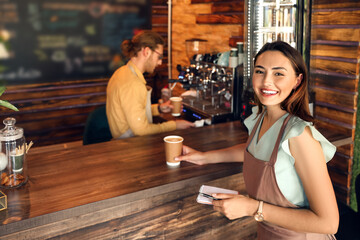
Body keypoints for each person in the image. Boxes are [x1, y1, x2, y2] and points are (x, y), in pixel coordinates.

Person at [175, 41, 339, 239]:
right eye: (260, 71)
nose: (266, 81)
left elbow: (329, 223)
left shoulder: (300, 136)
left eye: (278, 73)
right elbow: (256, 150)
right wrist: (204, 157)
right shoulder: (262, 117)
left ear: (297, 80)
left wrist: (252, 207)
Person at [106, 30, 194, 139]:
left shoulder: (121, 72)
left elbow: (132, 111)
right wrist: (175, 125)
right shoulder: (133, 84)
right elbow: (141, 131)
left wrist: (159, 109)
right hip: (129, 147)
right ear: (146, 52)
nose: (160, 62)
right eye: (159, 57)